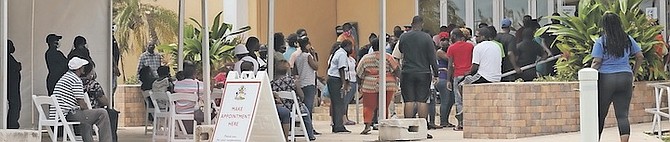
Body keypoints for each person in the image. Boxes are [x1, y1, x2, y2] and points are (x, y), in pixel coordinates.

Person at [591, 12, 644, 142]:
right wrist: (633, 74)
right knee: (622, 115)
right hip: (625, 77)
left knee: (600, 114)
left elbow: (597, 61)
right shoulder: (627, 39)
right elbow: (640, 56)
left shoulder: (601, 41)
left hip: (606, 79)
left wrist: (589, 73)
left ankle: (595, 139)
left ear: (605, 26)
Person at [50, 57, 113, 142]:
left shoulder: (64, 78)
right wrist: (89, 112)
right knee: (102, 113)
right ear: (79, 68)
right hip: (67, 113)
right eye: (83, 66)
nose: (84, 68)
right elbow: (82, 103)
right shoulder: (75, 80)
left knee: (86, 118)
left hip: (59, 114)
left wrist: (88, 115)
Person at [398, 16, 438, 139]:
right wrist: (436, 73)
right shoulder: (426, 37)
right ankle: (422, 130)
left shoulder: (404, 37)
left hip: (407, 72)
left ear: (411, 24)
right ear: (422, 24)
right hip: (423, 72)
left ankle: (408, 128)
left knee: (409, 101)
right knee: (422, 101)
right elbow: (432, 57)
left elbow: (401, 50)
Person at [357, 38, 401, 135]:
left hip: (369, 84)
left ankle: (367, 125)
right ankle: (383, 125)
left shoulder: (365, 58)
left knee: (368, 106)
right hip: (387, 84)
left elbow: (359, 73)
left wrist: (360, 84)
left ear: (372, 46)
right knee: (384, 105)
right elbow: (397, 70)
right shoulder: (388, 57)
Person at [271, 60, 317, 141]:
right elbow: (302, 96)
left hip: (280, 107)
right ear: (287, 70)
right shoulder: (293, 81)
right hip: (294, 107)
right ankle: (310, 134)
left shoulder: (272, 83)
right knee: (306, 113)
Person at [446, 29, 474, 131]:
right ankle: (470, 122)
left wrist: (448, 80)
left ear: (454, 36)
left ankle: (461, 123)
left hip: (457, 76)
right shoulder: (470, 46)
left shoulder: (451, 48)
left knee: (459, 101)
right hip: (469, 76)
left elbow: (450, 66)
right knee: (469, 99)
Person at [81, 71, 119, 142]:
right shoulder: (93, 84)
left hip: (80, 113)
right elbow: (104, 101)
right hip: (92, 112)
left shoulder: (76, 82)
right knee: (112, 113)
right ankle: (111, 139)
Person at [327, 39, 354, 133]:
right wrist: (344, 83)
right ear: (347, 46)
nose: (352, 49)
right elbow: (341, 69)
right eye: (351, 46)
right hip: (336, 80)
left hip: (332, 79)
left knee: (335, 103)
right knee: (339, 103)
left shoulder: (338, 52)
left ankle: (336, 125)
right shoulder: (342, 54)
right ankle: (339, 126)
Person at [172, 62, 206, 134]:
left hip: (179, 113)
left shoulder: (177, 84)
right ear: (194, 74)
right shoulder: (199, 84)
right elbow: (207, 95)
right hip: (195, 115)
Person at [294, 37, 319, 122]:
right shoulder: (308, 56)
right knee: (309, 106)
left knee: (304, 105)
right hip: (309, 83)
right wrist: (314, 55)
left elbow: (295, 71)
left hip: (301, 83)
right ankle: (309, 126)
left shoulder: (298, 57)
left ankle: (306, 125)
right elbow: (316, 67)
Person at [435, 38, 455, 128]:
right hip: (442, 78)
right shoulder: (439, 52)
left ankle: (446, 120)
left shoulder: (448, 50)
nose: (444, 43)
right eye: (442, 41)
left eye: (446, 41)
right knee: (445, 101)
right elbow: (449, 59)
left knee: (451, 100)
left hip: (449, 78)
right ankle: (443, 121)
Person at [7, 40, 21, 129]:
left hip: (13, 86)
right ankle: (12, 125)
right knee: (15, 105)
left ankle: (12, 124)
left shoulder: (9, 57)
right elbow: (16, 67)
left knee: (15, 105)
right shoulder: (8, 58)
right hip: (12, 87)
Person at [112, 24, 121, 96]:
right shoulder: (111, 40)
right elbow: (111, 54)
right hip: (112, 68)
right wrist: (115, 67)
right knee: (112, 86)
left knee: (114, 86)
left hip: (114, 67)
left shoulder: (113, 38)